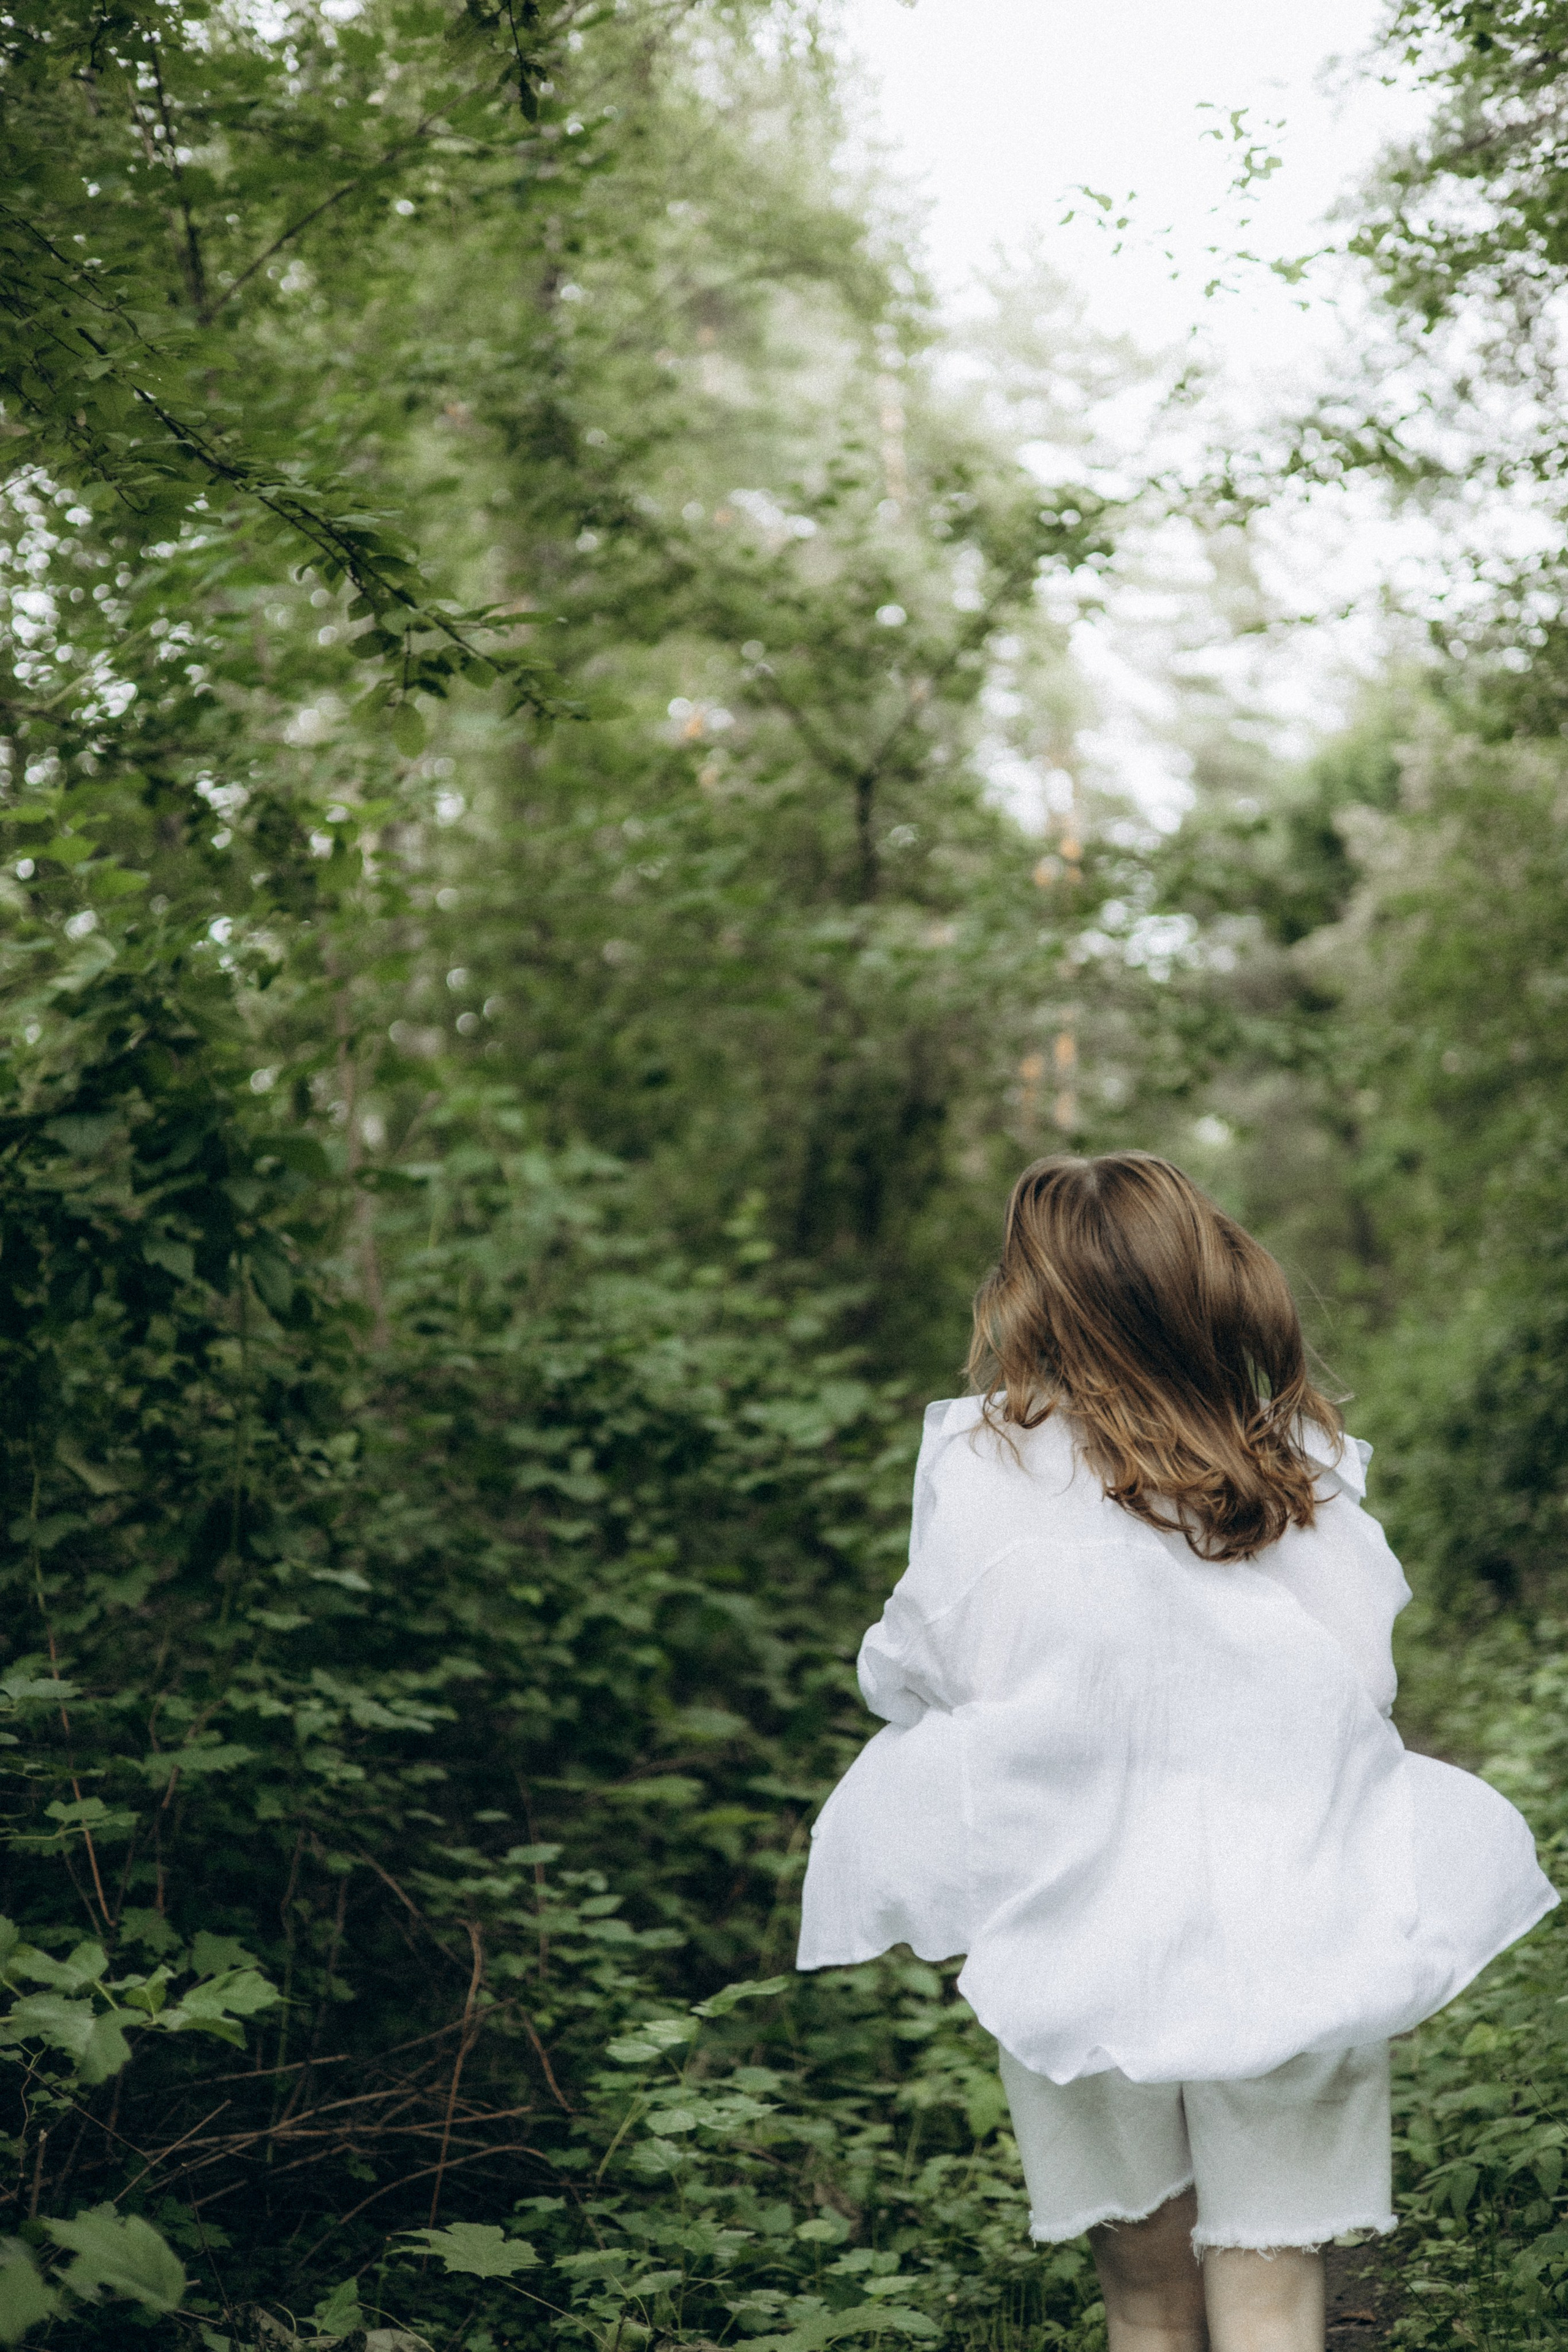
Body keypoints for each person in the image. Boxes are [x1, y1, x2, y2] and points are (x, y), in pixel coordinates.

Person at [796, 1152, 1557, 2352]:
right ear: (1197, 1281)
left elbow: (915, 1671)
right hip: (1292, 1908)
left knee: (1145, 2302)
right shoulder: (1288, 1457)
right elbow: (1363, 1680)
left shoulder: (984, 1459)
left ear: (1034, 1296)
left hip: (1076, 1919)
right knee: (1269, 2296)